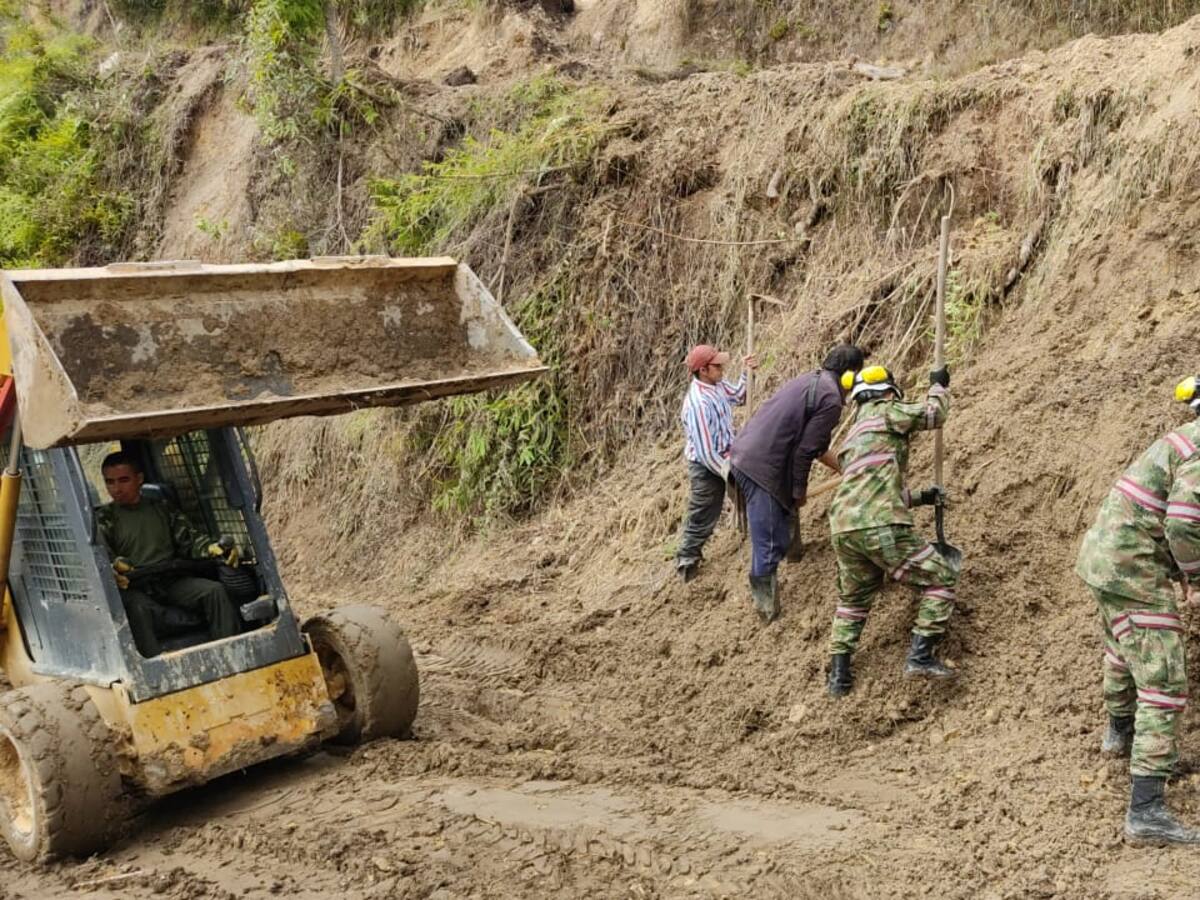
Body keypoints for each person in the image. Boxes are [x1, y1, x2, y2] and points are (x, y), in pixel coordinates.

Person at [1075, 377, 1200, 844]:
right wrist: (1196, 576)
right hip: (1132, 569)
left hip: (1105, 558)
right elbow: (1185, 523)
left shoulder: (1183, 440)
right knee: (1164, 679)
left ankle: (1120, 736)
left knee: (1121, 652)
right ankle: (1146, 810)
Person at [825, 363, 954, 696]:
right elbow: (934, 414)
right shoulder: (886, 411)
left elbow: (872, 491)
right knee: (940, 576)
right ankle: (921, 656)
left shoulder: (854, 433)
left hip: (843, 527)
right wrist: (938, 386)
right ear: (887, 391)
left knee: (853, 600)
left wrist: (923, 496)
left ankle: (838, 678)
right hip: (879, 523)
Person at [729, 343, 865, 622]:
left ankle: (795, 555)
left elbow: (815, 446)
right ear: (850, 376)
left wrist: (846, 468)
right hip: (760, 466)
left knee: (785, 510)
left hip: (749, 453)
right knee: (769, 540)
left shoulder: (811, 380)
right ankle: (766, 610)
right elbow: (805, 451)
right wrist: (800, 490)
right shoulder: (831, 399)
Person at [96, 451, 240, 657]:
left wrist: (210, 547)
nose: (116, 489)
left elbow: (189, 539)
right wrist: (115, 566)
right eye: (110, 482)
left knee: (213, 591)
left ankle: (232, 652)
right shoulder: (104, 519)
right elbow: (103, 556)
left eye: (123, 480)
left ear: (139, 479)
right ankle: (153, 668)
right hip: (137, 587)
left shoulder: (162, 508)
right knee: (136, 607)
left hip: (172, 581)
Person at [675, 344, 758, 581]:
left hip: (729, 454)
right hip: (707, 465)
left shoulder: (717, 384)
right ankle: (687, 560)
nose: (722, 368)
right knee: (704, 510)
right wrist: (729, 472)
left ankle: (751, 536)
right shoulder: (697, 404)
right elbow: (706, 451)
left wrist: (748, 372)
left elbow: (741, 396)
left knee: (752, 490)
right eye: (717, 365)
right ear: (703, 370)